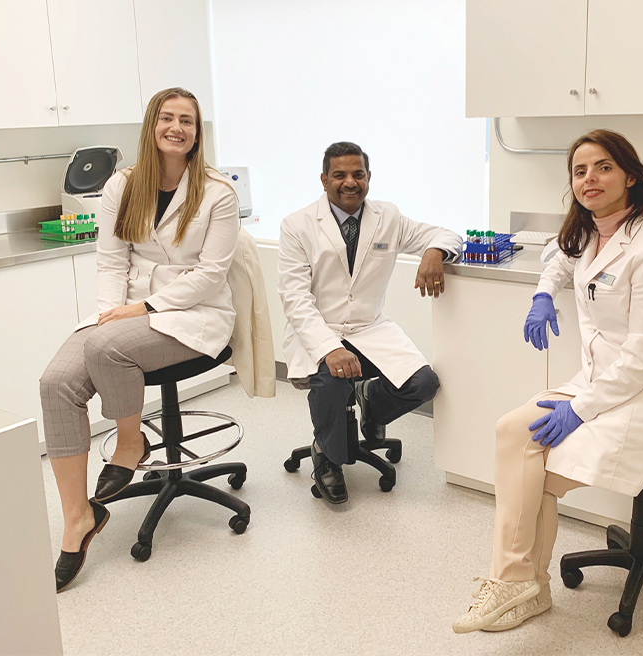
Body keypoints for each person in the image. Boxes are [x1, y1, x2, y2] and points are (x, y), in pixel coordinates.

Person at [451, 129, 643, 633]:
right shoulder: (591, 232)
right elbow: (558, 261)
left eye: (604, 167)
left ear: (630, 176)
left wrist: (579, 410)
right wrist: (542, 296)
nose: (590, 179)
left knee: (534, 470)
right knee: (510, 430)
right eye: (580, 171)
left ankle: (520, 584)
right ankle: (522, 585)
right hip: (598, 382)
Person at [38, 87, 241, 592]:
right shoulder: (121, 185)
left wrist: (143, 308)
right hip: (125, 311)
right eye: (168, 118)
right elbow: (111, 260)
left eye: (187, 121)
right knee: (55, 381)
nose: (177, 128)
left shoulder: (218, 192)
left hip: (195, 314)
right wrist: (113, 312)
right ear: (152, 124)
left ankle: (131, 444)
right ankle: (77, 519)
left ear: (198, 132)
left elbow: (212, 275)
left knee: (107, 347)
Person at [277, 142, 462, 504]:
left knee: (423, 383)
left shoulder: (387, 217)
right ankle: (327, 458)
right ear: (324, 179)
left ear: (368, 177)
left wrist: (434, 253)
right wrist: (329, 348)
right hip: (319, 327)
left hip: (368, 328)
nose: (350, 182)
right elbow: (295, 298)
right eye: (340, 175)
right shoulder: (297, 225)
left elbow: (447, 234)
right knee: (330, 381)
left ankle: (371, 402)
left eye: (357, 174)